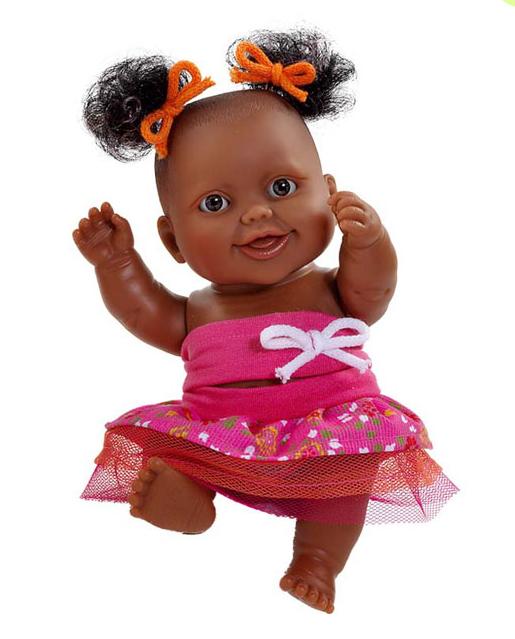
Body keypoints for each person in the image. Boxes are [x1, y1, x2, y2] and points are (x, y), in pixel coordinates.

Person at [73, 28, 459, 614]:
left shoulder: (330, 288)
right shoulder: (199, 308)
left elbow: (372, 294)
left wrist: (369, 242)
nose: (256, 213)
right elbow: (145, 313)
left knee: (346, 485)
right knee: (188, 454)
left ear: (327, 193)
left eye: (282, 187)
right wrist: (117, 264)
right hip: (222, 432)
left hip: (331, 433)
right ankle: (191, 499)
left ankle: (318, 559)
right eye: (215, 204)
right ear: (173, 241)